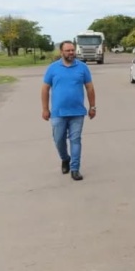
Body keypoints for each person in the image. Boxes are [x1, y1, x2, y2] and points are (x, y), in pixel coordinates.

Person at [41, 40, 96, 181]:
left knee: (75, 140)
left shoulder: (82, 68)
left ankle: (75, 168)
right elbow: (45, 89)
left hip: (77, 112)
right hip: (58, 113)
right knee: (59, 140)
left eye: (72, 50)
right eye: (68, 50)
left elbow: (89, 87)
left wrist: (92, 107)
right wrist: (45, 109)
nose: (71, 53)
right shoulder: (53, 68)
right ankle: (65, 158)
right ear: (61, 52)